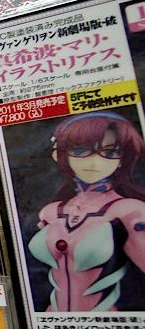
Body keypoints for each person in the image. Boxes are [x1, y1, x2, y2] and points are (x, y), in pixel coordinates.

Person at [28, 111, 145, 312]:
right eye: (80, 150)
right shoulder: (51, 212)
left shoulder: (128, 211)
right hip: (52, 320)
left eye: (110, 153)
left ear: (122, 159)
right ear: (58, 154)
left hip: (108, 323)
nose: (94, 162)